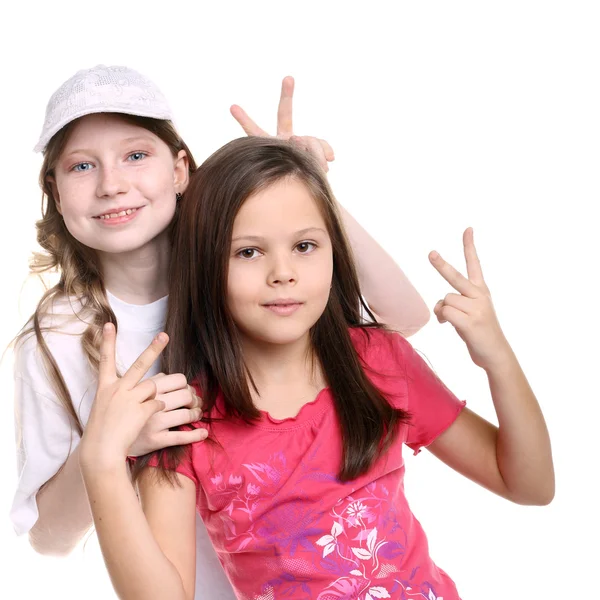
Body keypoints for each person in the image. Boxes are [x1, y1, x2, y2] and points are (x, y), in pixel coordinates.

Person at [11, 66, 429, 599]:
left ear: (181, 169)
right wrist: (110, 446)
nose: (111, 184)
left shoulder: (245, 272)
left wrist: (305, 187)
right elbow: (47, 540)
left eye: (136, 155)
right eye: (81, 165)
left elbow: (404, 322)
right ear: (54, 190)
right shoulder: (57, 340)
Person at [80, 137, 555, 600]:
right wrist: (101, 464)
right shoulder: (184, 424)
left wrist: (498, 359)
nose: (283, 272)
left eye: (305, 246)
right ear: (206, 267)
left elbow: (529, 485)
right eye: (249, 252)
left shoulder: (378, 360)